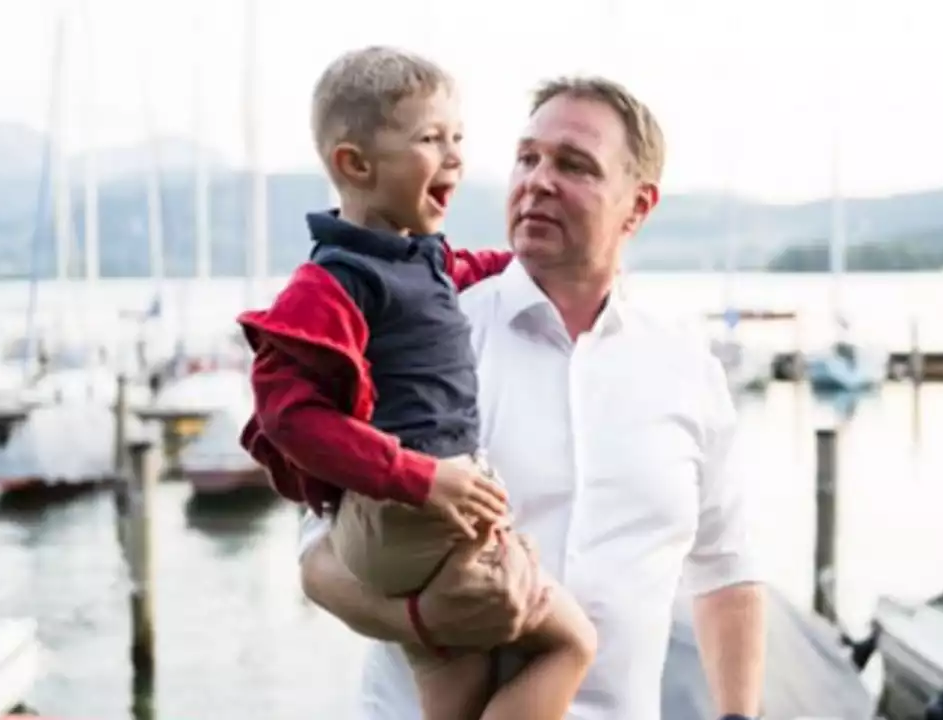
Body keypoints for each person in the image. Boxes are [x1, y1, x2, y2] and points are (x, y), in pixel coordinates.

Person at [298, 74, 767, 720]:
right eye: (528, 158)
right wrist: (420, 618)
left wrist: (739, 714)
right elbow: (318, 559)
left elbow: (726, 569)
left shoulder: (689, 371)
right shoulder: (422, 334)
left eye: (574, 165)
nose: (538, 180)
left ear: (638, 206)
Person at [236, 47, 596, 720]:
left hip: (408, 521)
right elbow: (288, 415)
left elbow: (449, 273)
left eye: (457, 138)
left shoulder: (412, 254)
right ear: (355, 165)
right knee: (570, 643)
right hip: (412, 510)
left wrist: (519, 259)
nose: (456, 156)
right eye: (431, 139)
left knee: (457, 689)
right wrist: (416, 477)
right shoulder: (334, 280)